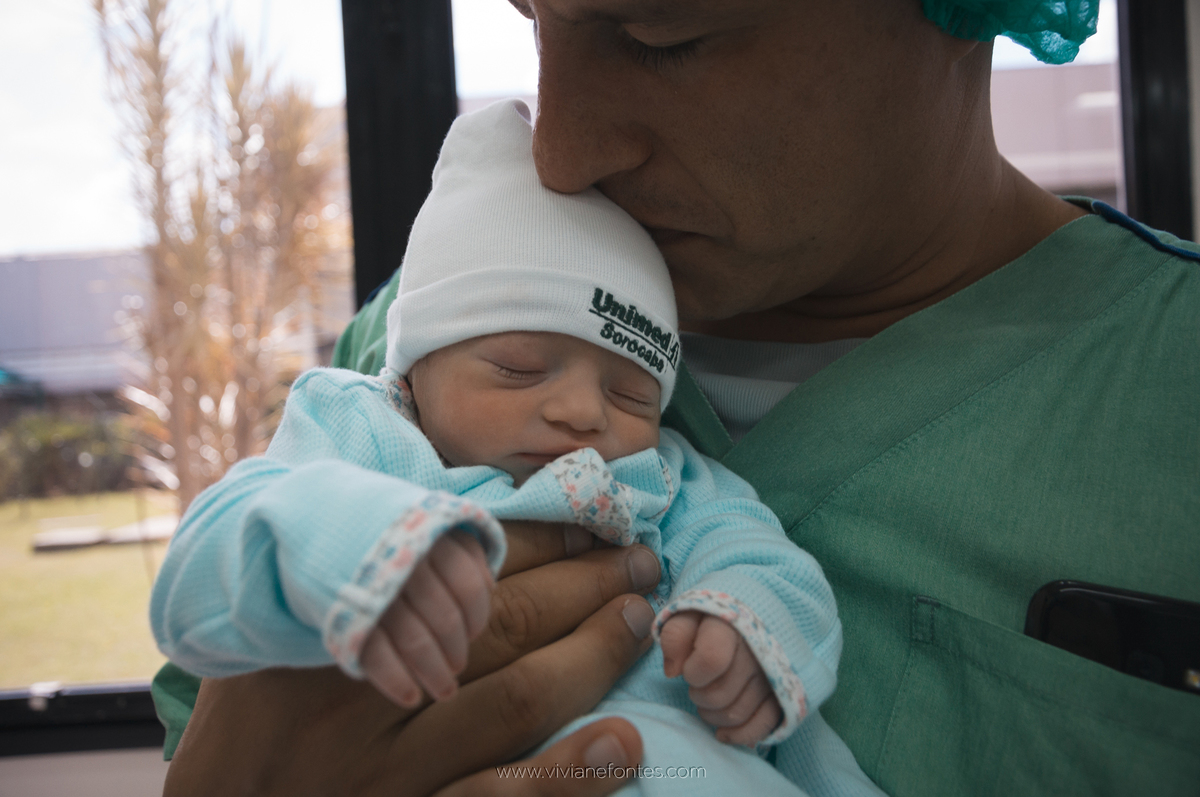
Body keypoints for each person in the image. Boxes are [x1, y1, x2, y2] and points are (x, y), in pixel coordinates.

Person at [159, 1, 1200, 795]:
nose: (562, 154)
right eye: (533, 21)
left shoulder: (1169, 383)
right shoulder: (418, 342)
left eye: (663, 37)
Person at [152, 99, 877, 795]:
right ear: (415, 372)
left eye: (631, 394)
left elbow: (756, 551)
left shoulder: (663, 477)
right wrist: (363, 548)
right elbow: (214, 553)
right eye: (520, 369)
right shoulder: (365, 431)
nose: (583, 412)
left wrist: (745, 623)